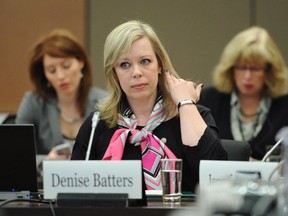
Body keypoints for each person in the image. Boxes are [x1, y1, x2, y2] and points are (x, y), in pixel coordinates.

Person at [71, 20, 227, 197]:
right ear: (114, 73)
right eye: (124, 64)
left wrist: (185, 104)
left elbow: (217, 180)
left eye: (145, 61)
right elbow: (73, 193)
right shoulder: (97, 125)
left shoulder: (191, 116)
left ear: (159, 65)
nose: (136, 72)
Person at [16, 29, 108, 161]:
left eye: (66, 66)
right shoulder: (33, 103)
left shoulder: (106, 102)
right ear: (44, 75)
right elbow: (17, 158)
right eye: (51, 70)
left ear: (81, 62)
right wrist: (46, 163)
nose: (60, 76)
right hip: (45, 181)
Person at [198, 26, 288, 161]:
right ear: (230, 69)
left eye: (255, 69)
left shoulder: (284, 106)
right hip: (216, 181)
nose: (247, 76)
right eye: (241, 67)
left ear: (269, 71)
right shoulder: (208, 100)